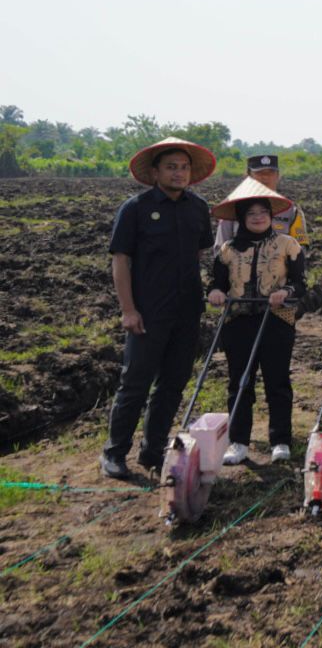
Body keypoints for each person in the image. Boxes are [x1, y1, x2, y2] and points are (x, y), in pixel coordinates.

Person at [101, 138, 218, 480]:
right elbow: (121, 261)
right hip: (148, 312)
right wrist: (128, 309)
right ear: (154, 172)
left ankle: (153, 451)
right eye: (171, 167)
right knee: (135, 383)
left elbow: (198, 254)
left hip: (186, 310)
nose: (179, 173)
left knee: (173, 383)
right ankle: (114, 452)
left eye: (184, 167)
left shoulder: (198, 207)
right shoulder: (135, 209)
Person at [206, 178, 305, 464]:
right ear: (241, 219)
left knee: (277, 380)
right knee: (239, 381)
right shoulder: (227, 249)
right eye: (251, 214)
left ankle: (281, 440)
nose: (258, 217)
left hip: (277, 320)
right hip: (238, 321)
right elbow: (217, 282)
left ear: (272, 216)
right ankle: (238, 441)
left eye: (263, 212)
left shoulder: (288, 244)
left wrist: (285, 292)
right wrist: (214, 292)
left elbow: (301, 284)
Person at [214, 154, 309, 249]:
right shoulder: (231, 207)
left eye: (271, 173)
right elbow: (221, 250)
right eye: (259, 173)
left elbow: (300, 249)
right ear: (248, 176)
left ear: (278, 176)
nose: (265, 177)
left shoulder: (291, 210)